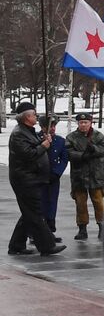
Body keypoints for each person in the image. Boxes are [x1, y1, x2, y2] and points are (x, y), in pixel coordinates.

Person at [8, 103, 64, 256]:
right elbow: (28, 155)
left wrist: (43, 142)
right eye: (34, 114)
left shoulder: (27, 131)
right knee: (35, 213)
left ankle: (16, 246)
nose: (36, 116)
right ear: (27, 117)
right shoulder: (19, 133)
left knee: (29, 213)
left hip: (32, 177)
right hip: (25, 179)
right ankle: (47, 246)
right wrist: (44, 146)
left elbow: (33, 147)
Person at [66, 111, 104, 241]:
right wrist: (82, 156)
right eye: (81, 122)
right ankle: (82, 228)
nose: (83, 125)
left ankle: (103, 227)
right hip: (79, 176)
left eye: (86, 122)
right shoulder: (71, 137)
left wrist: (94, 149)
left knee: (98, 202)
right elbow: (68, 152)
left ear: (91, 123)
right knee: (80, 203)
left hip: (95, 175)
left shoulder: (98, 136)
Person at [40, 116, 69, 237]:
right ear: (42, 127)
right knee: (40, 203)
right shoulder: (36, 138)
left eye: (53, 126)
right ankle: (36, 232)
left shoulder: (60, 141)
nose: (52, 128)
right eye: (49, 126)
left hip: (53, 176)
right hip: (39, 177)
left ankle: (50, 230)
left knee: (52, 202)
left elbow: (64, 158)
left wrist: (57, 172)